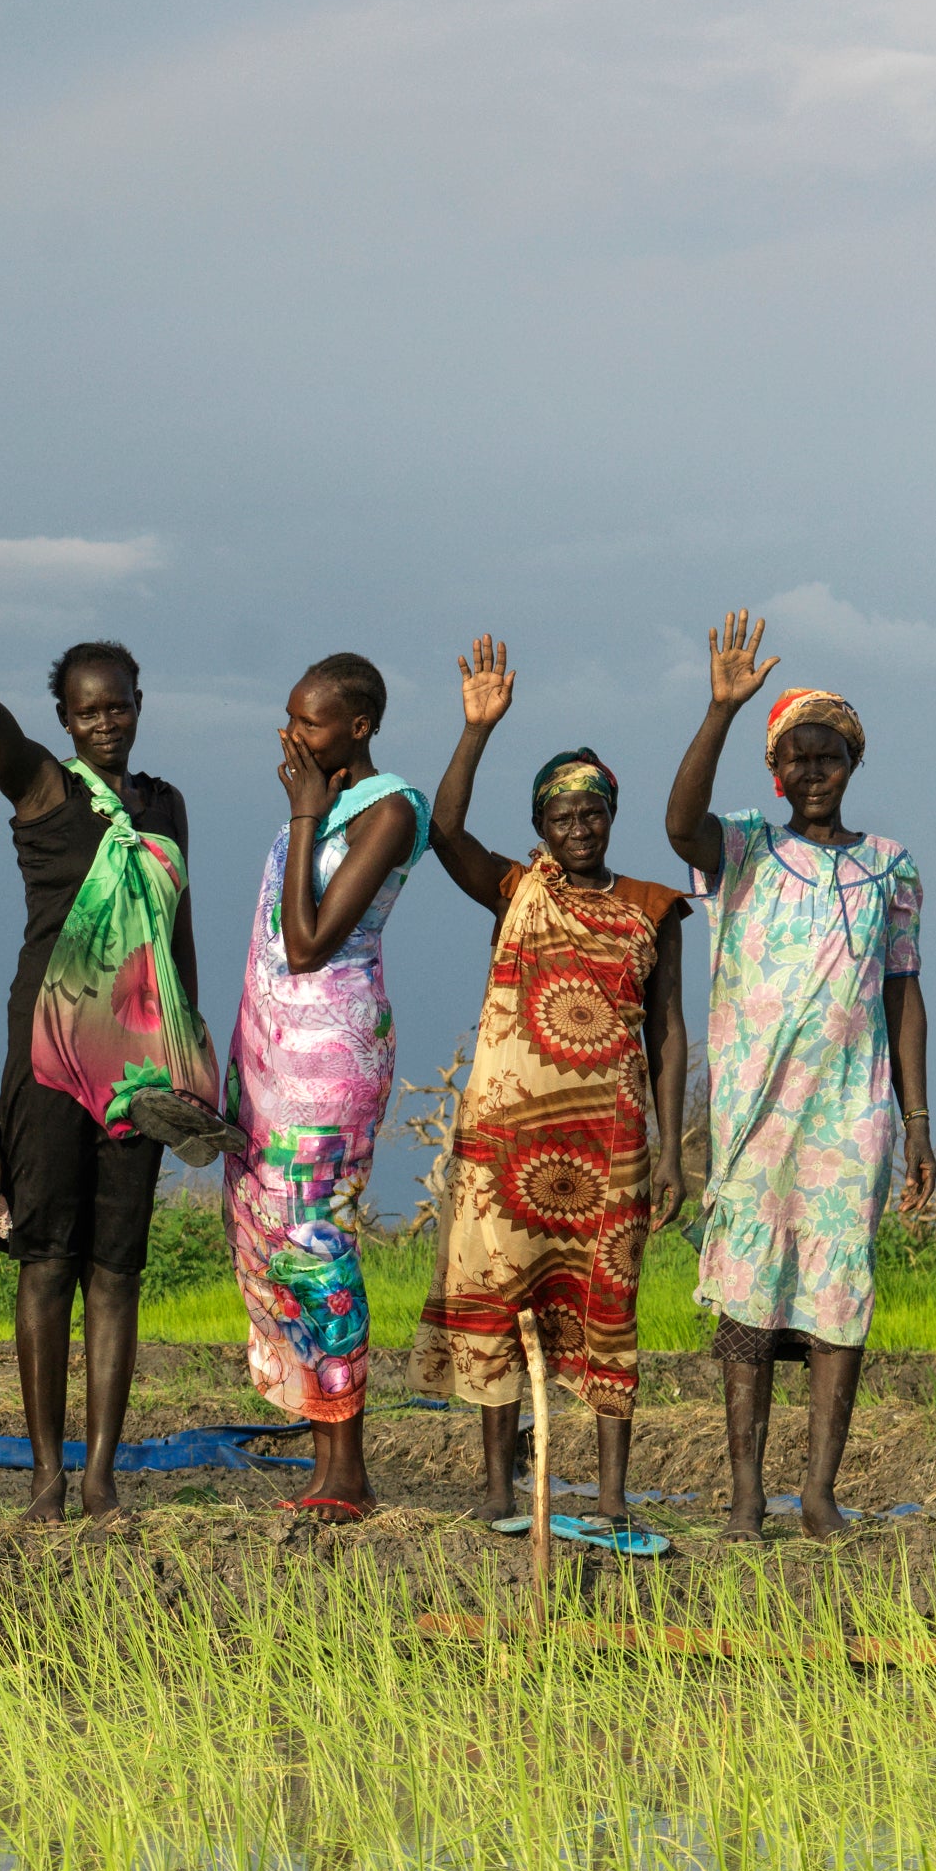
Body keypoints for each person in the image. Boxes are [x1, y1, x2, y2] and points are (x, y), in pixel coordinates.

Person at [0, 465, 213, 1519]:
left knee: (118, 1269)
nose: (105, 724)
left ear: (138, 708)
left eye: (119, 707)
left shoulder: (167, 804)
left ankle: (99, 1477)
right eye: (86, 710)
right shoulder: (44, 787)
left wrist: (196, 1058)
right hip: (50, 1055)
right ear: (64, 716)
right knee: (45, 1259)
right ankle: (45, 1475)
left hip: (141, 1068)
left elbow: (176, 942)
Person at [667, 615, 929, 1538]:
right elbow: (676, 823)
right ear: (773, 772)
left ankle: (815, 1493)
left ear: (851, 765)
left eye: (828, 757)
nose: (812, 773)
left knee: (835, 1296)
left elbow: (902, 993)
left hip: (851, 1116)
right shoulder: (742, 850)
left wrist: (919, 1122)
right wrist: (720, 709)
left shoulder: (887, 866)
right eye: (795, 759)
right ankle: (745, 1495)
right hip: (755, 1116)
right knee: (746, 1297)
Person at [412, 640, 682, 1533]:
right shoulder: (516, 889)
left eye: (589, 811)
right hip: (505, 1142)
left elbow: (667, 1031)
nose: (576, 827)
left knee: (608, 1309)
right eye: (559, 814)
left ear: (609, 816)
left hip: (608, 1146)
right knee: (499, 1297)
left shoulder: (651, 906)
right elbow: (442, 828)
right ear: (540, 823)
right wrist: (474, 729)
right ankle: (498, 1491)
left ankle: (607, 1497)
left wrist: (672, 1149)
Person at [224, 655, 427, 1518]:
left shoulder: (388, 809)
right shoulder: (318, 808)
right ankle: (324, 1459)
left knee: (316, 1247)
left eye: (308, 724)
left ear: (359, 725)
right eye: (287, 717)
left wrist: (304, 814)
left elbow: (307, 943)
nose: (290, 738)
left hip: (328, 1065)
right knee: (275, 1247)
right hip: (272, 1064)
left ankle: (345, 1467)